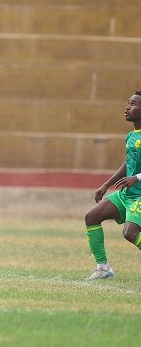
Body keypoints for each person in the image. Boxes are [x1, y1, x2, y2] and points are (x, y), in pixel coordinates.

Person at [83, 91, 141, 280]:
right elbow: (128, 163)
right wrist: (106, 184)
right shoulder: (131, 136)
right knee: (92, 217)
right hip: (127, 194)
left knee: (130, 232)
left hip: (139, 194)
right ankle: (103, 268)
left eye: (133, 104)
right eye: (128, 103)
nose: (127, 107)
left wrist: (137, 178)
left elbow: (134, 173)